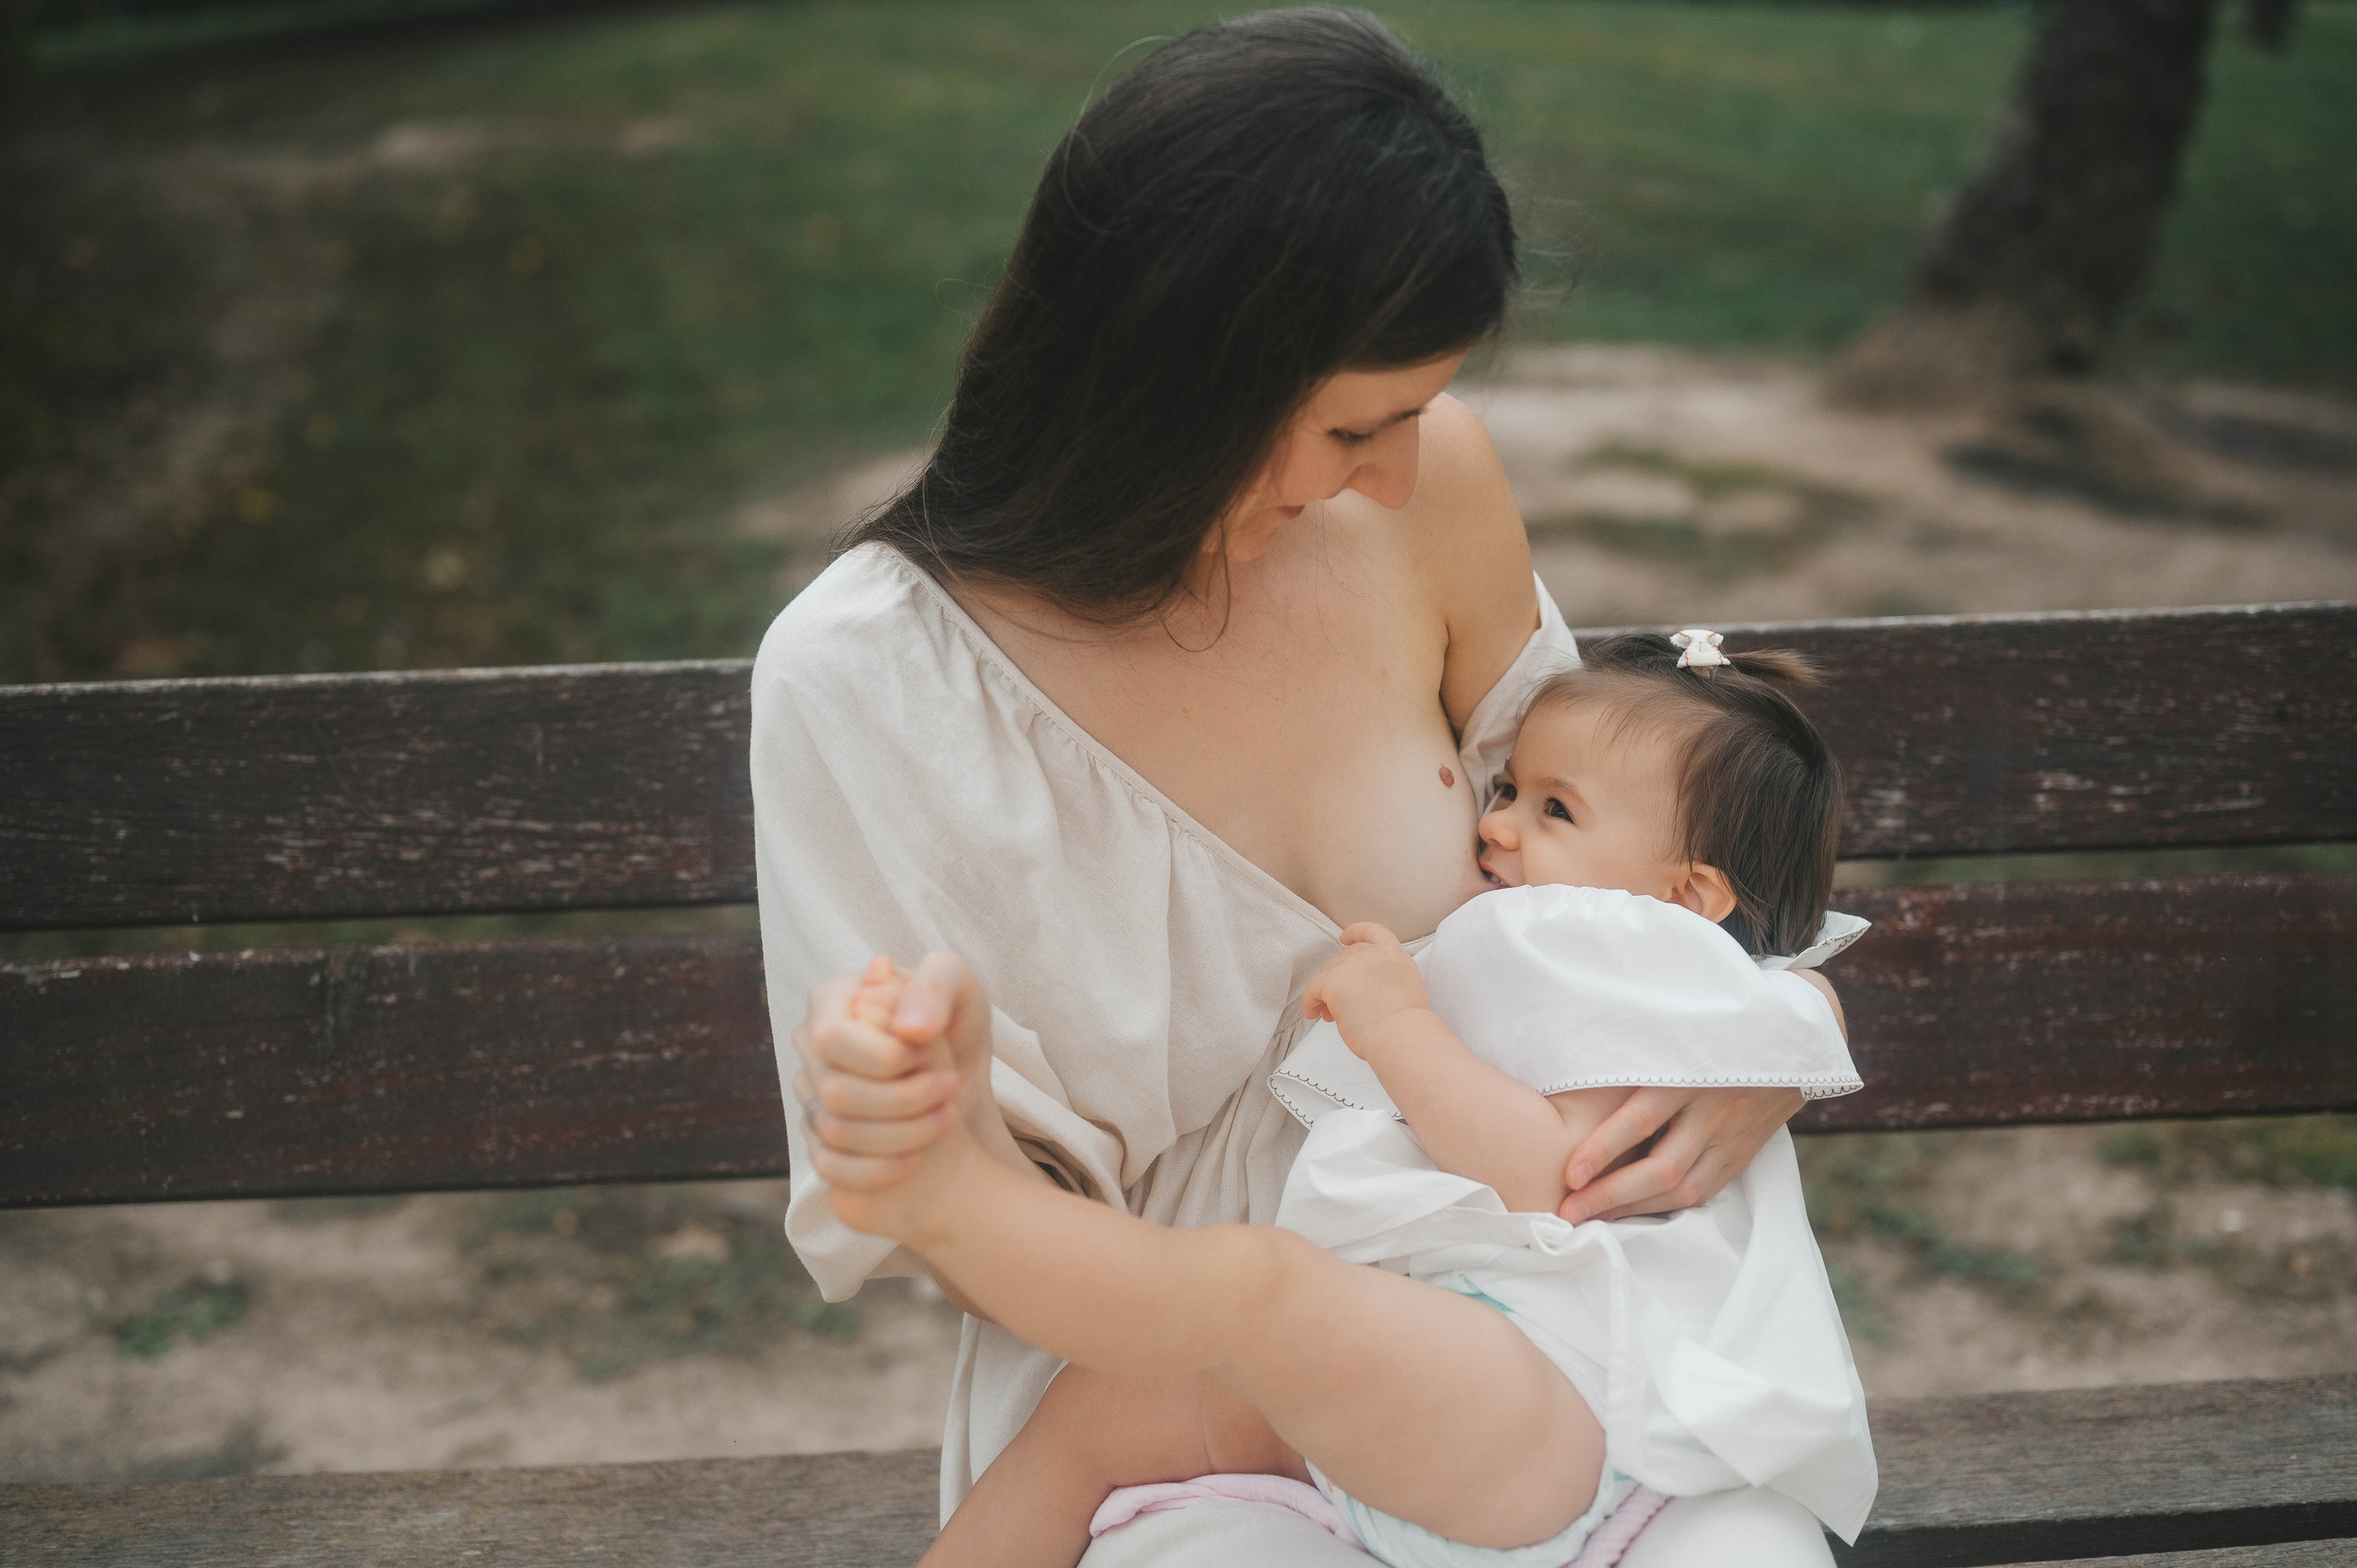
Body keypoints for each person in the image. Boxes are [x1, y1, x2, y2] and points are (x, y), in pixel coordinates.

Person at [754, 10, 1840, 1562]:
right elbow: (958, 1213)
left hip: (1555, 1333)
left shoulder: (1426, 492)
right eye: (1354, 424)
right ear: (1176, 375)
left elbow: (1636, 863)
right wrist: (923, 1109)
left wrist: (1760, 1041)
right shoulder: (867, 681)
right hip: (1172, 1399)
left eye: (1415, 412)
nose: (1401, 471)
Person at [825, 634, 1878, 1568]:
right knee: (1103, 1407)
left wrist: (1395, 1026)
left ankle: (962, 1196)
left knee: (1259, 1290)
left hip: (1563, 1392)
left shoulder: (1630, 954)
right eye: (1506, 789)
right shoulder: (1619, 948)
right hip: (1453, 1401)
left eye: (1555, 809)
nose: (1498, 827)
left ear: (1687, 895)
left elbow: (1555, 1175)